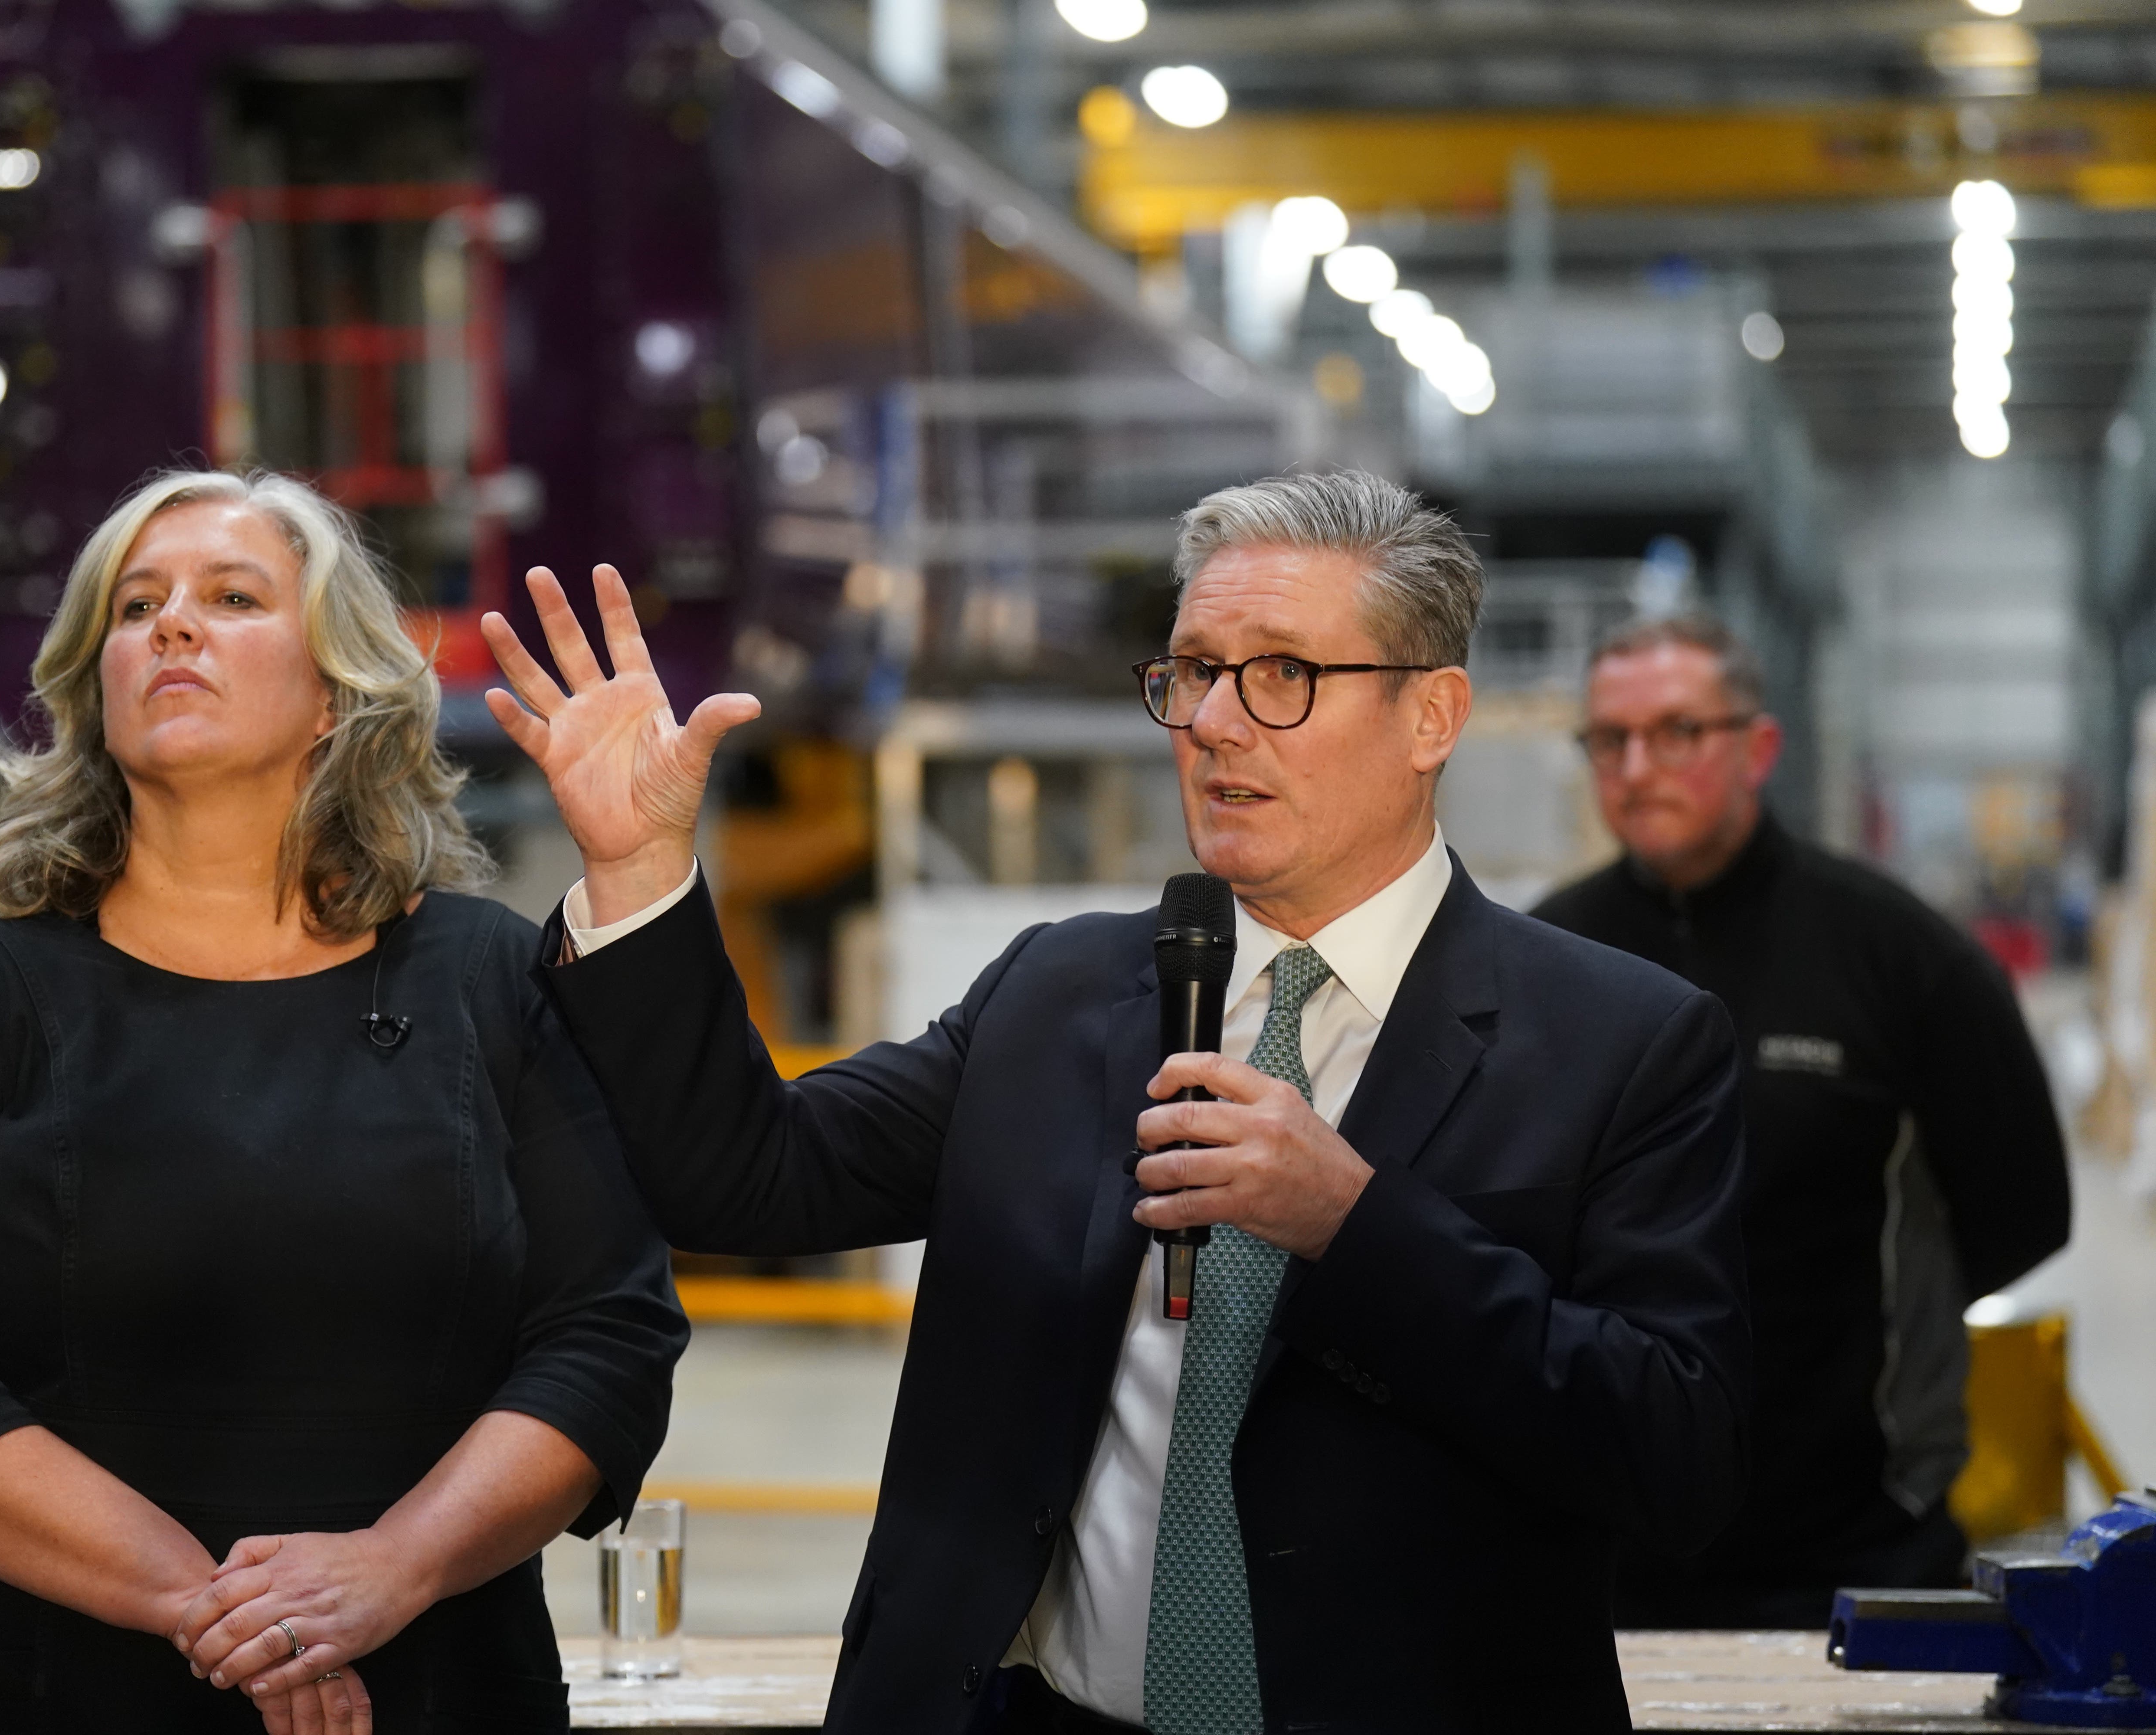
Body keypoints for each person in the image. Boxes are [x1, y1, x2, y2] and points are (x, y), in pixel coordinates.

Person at [482, 470, 1751, 1734]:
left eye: (1281, 676)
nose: (1214, 721)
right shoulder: (1062, 992)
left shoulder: (1620, 1042)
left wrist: (1358, 1226)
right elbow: (750, 1174)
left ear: (1433, 716)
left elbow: (1673, 1451)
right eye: (1193, 671)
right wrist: (639, 866)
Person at [0, 469, 685, 1735]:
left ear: (335, 692)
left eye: (230, 597)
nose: (170, 625)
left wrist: (395, 1568)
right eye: (136, 606)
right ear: (93, 691)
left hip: (421, 1687)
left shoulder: (490, 978)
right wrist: (227, 1612)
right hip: (26, 1690)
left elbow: (611, 1333)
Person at [1531, 612, 2070, 1628]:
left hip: (1863, 1544)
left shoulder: (1904, 960)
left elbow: (2024, 1214)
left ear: (1759, 748)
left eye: (1679, 730)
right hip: (1606, 1552)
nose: (1638, 765)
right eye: (1611, 738)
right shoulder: (1542, 957)